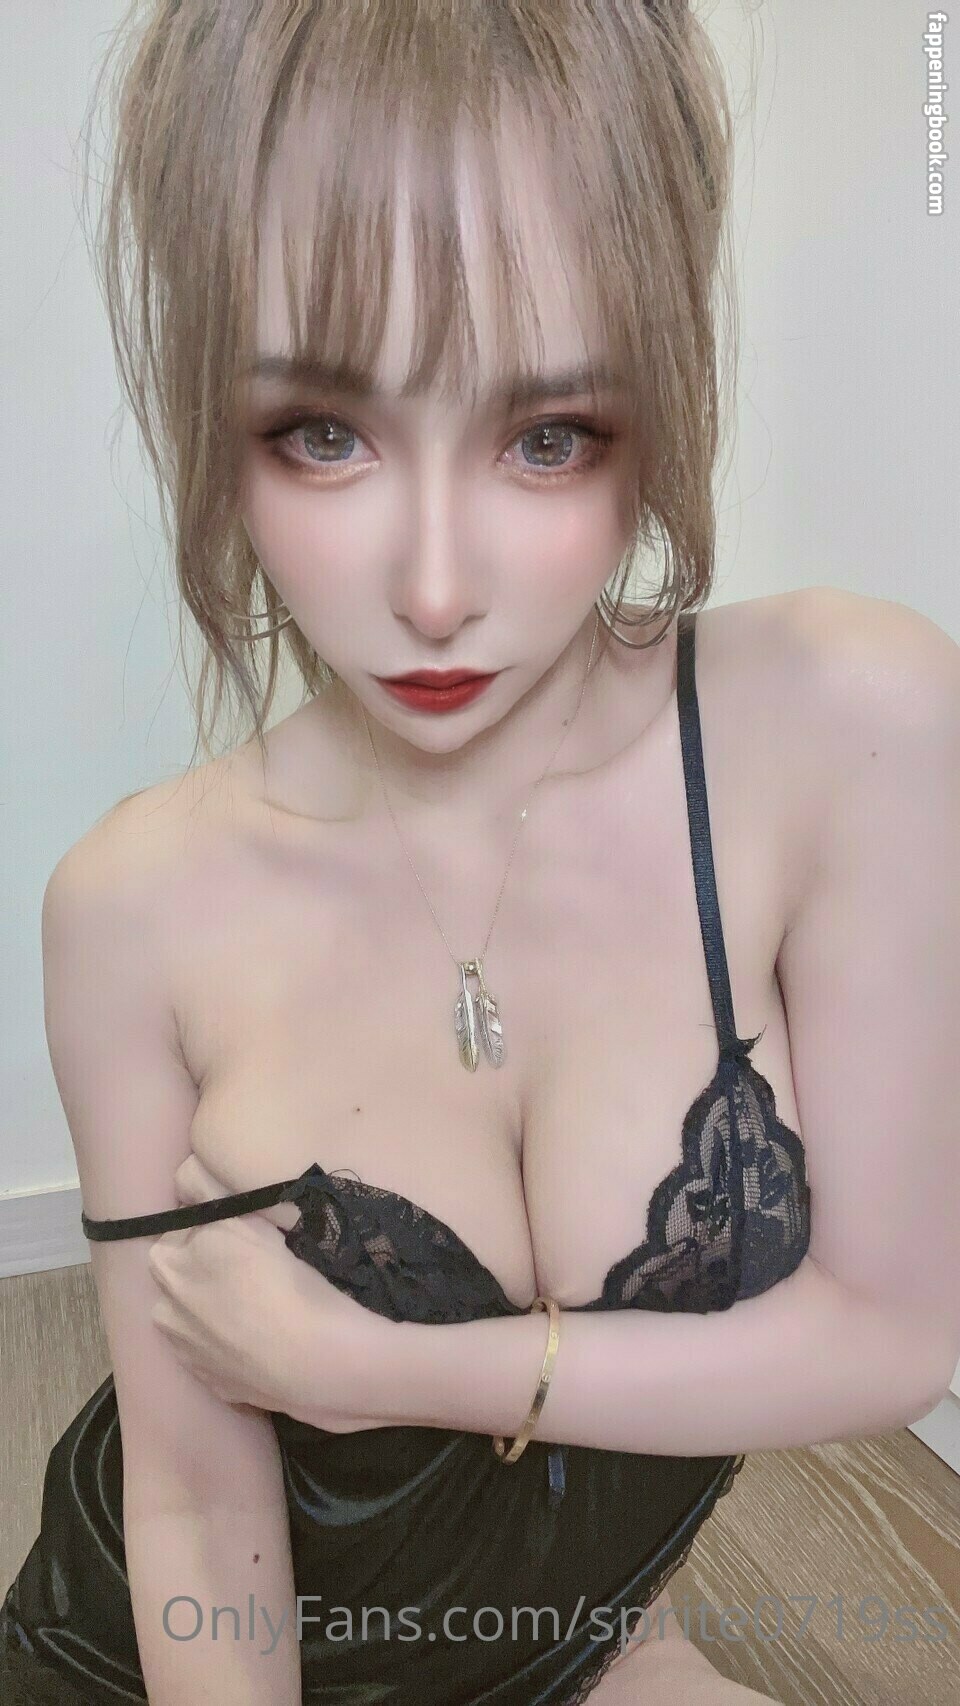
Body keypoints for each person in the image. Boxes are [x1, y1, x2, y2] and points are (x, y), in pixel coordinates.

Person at [3, 3, 958, 1703]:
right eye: (324, 432)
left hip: (563, 1638)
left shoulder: (850, 725)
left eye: (546, 434)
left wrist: (388, 1366)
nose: (435, 590)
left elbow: (896, 1334)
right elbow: (198, 1505)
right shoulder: (130, 907)